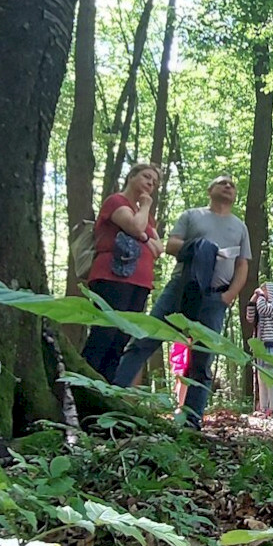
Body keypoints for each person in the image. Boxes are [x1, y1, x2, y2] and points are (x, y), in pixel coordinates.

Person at [110, 174, 252, 428]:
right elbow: (171, 245)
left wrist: (228, 296)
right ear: (210, 189)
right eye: (222, 182)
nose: (228, 186)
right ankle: (113, 398)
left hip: (214, 298)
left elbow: (242, 265)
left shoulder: (240, 227)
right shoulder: (192, 216)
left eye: (232, 185)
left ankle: (192, 420)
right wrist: (200, 247)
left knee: (202, 359)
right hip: (180, 290)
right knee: (144, 341)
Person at [80, 162, 161, 383]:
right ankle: (83, 385)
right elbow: (135, 227)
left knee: (121, 339)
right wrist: (145, 208)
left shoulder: (146, 216)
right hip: (112, 277)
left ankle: (106, 390)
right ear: (131, 176)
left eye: (154, 182)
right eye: (146, 177)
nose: (150, 184)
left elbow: (159, 248)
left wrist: (143, 234)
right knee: (104, 333)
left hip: (140, 282)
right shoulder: (116, 202)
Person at [247, 281, 273, 418]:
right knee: (261, 377)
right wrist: (253, 299)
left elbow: (264, 309)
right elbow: (250, 317)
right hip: (261, 346)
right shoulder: (262, 304)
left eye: (265, 290)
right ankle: (263, 408)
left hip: (272, 345)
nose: (262, 293)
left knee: (271, 377)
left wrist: (261, 297)